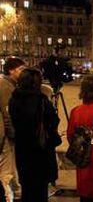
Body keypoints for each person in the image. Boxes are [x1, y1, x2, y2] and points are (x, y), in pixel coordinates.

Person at [8, 68, 61, 202]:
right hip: (40, 148)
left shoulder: (14, 98)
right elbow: (53, 120)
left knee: (27, 186)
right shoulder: (41, 100)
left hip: (22, 147)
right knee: (40, 189)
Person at [0, 57, 25, 201]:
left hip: (5, 134)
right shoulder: (5, 86)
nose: (23, 73)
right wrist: (12, 134)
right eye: (20, 69)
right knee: (6, 169)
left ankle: (16, 191)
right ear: (11, 70)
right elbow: (7, 113)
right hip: (4, 136)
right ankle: (7, 196)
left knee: (10, 166)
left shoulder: (9, 84)